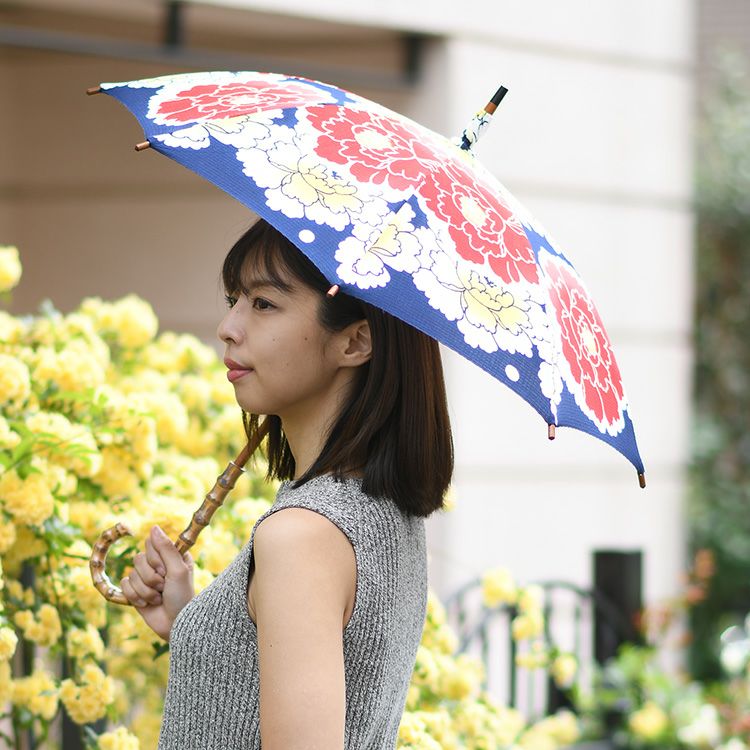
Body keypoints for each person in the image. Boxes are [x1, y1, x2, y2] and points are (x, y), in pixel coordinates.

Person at [120, 217, 454, 749]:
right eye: (234, 299)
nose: (228, 326)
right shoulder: (378, 511)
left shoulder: (304, 535)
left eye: (264, 303)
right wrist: (195, 624)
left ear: (355, 341)